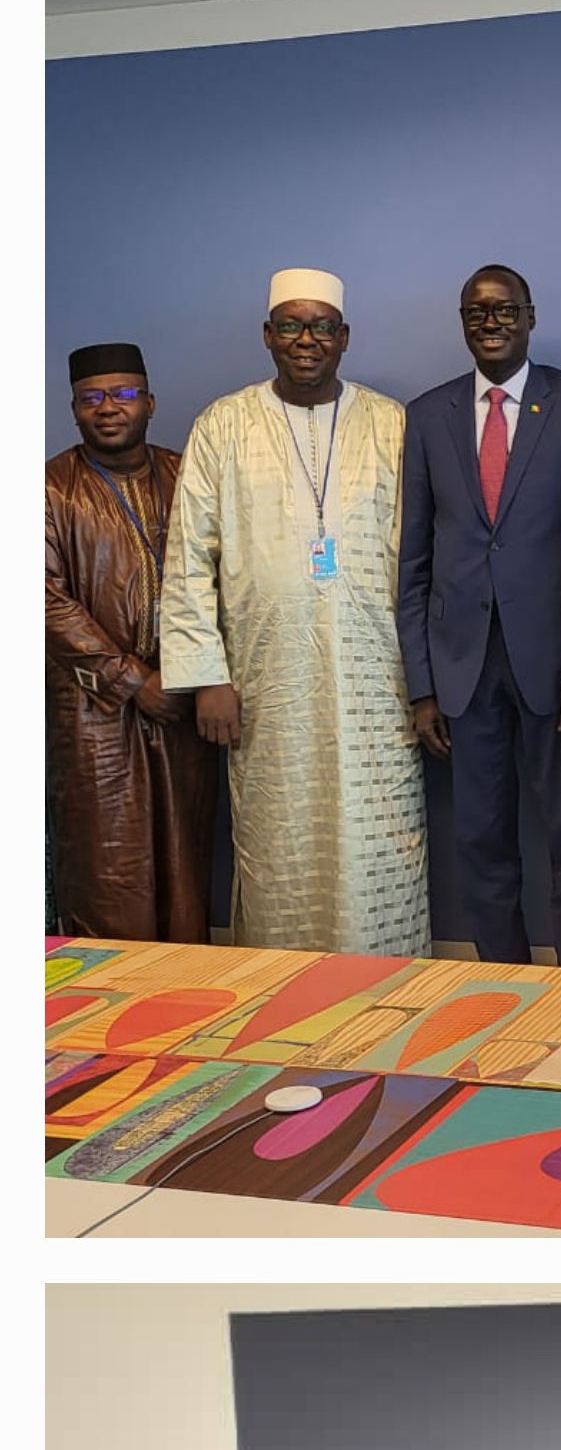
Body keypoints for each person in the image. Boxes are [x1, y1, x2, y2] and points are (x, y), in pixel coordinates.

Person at [156, 269, 428, 952]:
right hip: (264, 680)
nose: (306, 340)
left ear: (344, 338)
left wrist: (427, 682)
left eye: (321, 327)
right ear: (267, 336)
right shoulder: (223, 423)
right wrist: (207, 676)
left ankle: (386, 995)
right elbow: (190, 556)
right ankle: (280, 1004)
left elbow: (425, 560)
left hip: (378, 681)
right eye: (290, 326)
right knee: (279, 841)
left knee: (381, 841)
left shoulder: (391, 422)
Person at [398, 265, 561, 966]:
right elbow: (413, 556)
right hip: (463, 668)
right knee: (480, 839)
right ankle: (504, 988)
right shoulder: (428, 414)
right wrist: (422, 685)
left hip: (555, 664)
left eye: (504, 311)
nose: (490, 323)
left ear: (530, 317)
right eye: (476, 313)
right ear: (462, 322)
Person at [46, 343, 222, 941]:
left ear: (148, 402)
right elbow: (42, 597)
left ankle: (189, 1013)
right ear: (74, 410)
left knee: (186, 870)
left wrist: (188, 674)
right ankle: (98, 1018)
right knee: (107, 871)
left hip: (183, 700)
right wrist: (128, 680)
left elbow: (225, 575)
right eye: (92, 398)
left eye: (122, 395)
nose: (108, 409)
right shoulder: (48, 488)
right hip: (94, 714)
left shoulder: (186, 474)